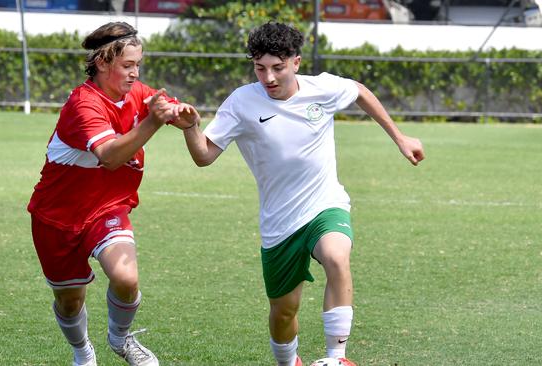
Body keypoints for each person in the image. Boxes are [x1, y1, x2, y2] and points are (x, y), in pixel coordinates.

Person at [180, 22, 424, 366]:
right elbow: (204, 156)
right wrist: (191, 127)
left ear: (295, 62)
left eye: (277, 68)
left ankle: (336, 357)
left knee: (337, 257)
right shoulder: (241, 102)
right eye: (260, 68)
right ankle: (288, 362)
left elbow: (359, 91)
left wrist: (400, 137)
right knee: (283, 312)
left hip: (326, 204)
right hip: (280, 223)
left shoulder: (321, 89)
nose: (269, 78)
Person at [27, 22, 196, 366]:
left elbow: (168, 108)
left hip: (107, 208)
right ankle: (83, 353)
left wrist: (180, 115)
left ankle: (121, 339)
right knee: (71, 302)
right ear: (103, 62)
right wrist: (152, 122)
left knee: (126, 277)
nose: (136, 74)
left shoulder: (137, 93)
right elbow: (110, 158)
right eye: (128, 66)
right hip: (57, 217)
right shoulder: (83, 104)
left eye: (138, 65)